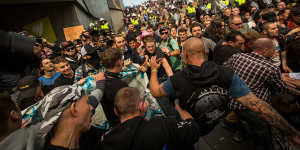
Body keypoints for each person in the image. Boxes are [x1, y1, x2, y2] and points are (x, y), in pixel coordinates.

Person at [149, 37, 300, 143]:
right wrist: (291, 131)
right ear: (205, 52)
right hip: (217, 120)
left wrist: (154, 70)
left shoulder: (177, 79)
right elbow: (258, 105)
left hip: (197, 129)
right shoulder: (224, 73)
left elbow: (155, 91)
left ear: (185, 54)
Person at [100, 87, 200, 150]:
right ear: (141, 106)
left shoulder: (106, 139)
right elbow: (194, 129)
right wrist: (180, 109)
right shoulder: (162, 125)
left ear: (115, 111)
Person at [100, 48, 128, 127]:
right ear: (119, 62)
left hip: (111, 124)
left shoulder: (100, 80)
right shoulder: (121, 86)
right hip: (122, 125)